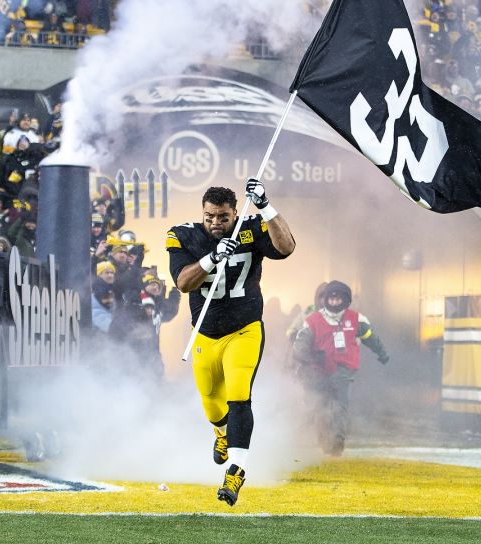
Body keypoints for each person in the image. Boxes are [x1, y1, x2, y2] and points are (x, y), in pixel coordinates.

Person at [166, 179, 295, 506]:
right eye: (210, 216)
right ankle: (221, 435)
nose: (215, 223)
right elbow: (183, 282)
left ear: (235, 213)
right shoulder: (184, 234)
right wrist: (211, 258)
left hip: (244, 329)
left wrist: (266, 205)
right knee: (211, 402)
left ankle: (236, 471)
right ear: (202, 213)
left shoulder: (250, 229)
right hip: (205, 333)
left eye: (223, 217)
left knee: (238, 395)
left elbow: (286, 247)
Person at [291, 280, 389, 456]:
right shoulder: (312, 320)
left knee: (340, 407)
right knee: (318, 406)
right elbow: (300, 345)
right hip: (317, 371)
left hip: (343, 371)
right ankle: (323, 439)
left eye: (339, 298)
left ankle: (337, 444)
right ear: (326, 299)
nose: (335, 302)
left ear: (346, 300)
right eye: (332, 298)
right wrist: (310, 358)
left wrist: (381, 353)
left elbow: (371, 337)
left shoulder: (356, 319)